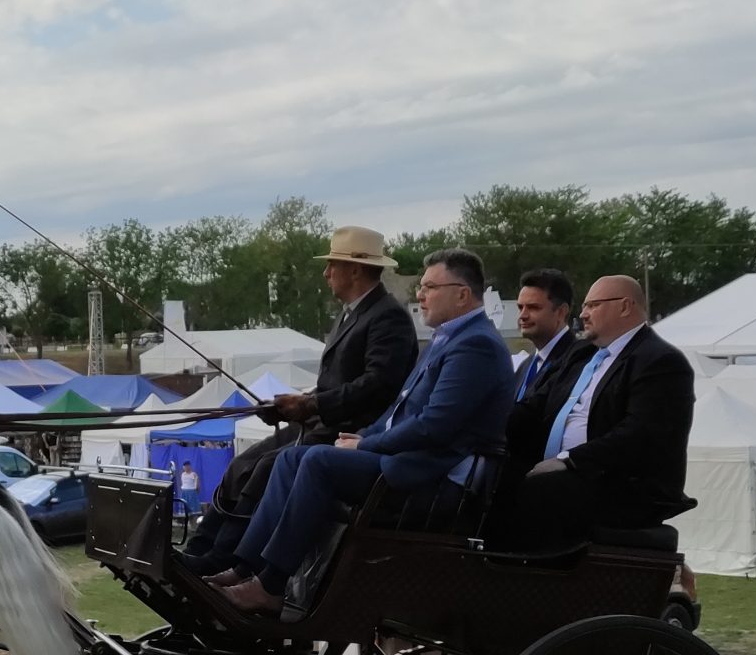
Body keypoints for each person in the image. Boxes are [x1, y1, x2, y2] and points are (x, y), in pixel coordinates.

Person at [206, 249, 512, 615]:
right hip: (409, 463)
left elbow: (434, 425)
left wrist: (368, 444)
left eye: (430, 287)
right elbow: (397, 412)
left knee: (318, 461)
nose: (420, 295)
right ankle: (245, 569)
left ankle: (270, 585)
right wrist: (361, 437)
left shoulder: (476, 345)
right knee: (290, 459)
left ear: (462, 294)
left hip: (435, 480)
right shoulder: (448, 339)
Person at [179, 225, 417, 570]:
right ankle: (198, 550)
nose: (326, 273)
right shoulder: (352, 313)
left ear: (355, 269)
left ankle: (225, 558)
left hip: (350, 430)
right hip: (321, 420)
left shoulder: (388, 316)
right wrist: (295, 403)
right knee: (241, 463)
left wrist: (312, 405)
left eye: (332, 265)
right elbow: (335, 380)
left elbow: (377, 385)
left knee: (264, 468)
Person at [500, 274, 696, 546]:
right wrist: (484, 430)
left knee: (541, 490)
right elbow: (534, 406)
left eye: (593, 305)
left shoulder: (660, 361)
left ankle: (535, 580)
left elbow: (639, 434)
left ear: (625, 307)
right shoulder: (581, 354)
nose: (583, 314)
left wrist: (569, 460)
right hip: (569, 474)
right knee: (492, 474)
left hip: (622, 485)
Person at [503, 269, 590, 469]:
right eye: (520, 307)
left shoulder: (579, 360)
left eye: (533, 307)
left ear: (561, 312)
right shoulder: (526, 365)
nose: (523, 315)